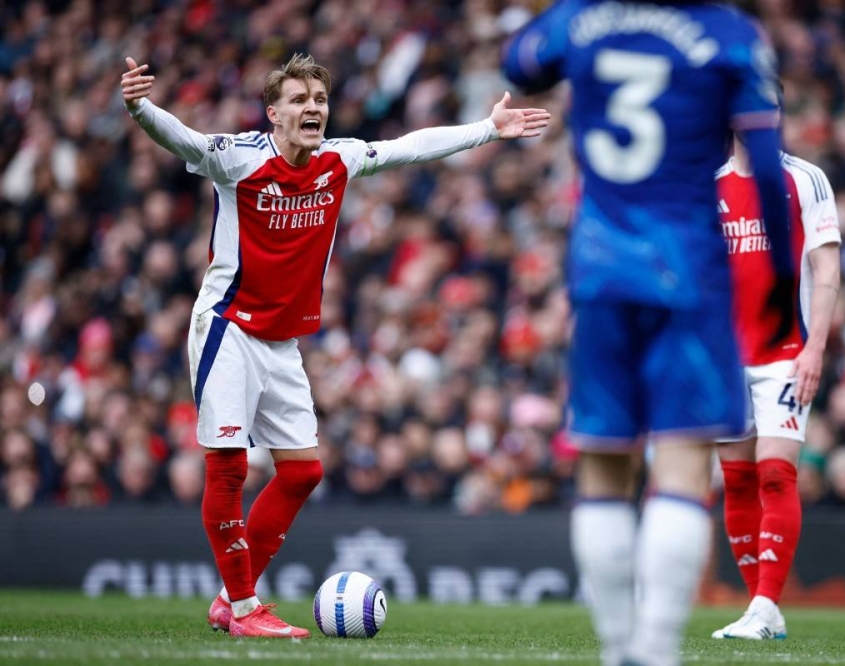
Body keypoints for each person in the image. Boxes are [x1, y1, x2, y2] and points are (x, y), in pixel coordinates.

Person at [121, 53, 549, 639]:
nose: (312, 109)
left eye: (319, 99)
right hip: (227, 326)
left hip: (280, 340)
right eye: (298, 100)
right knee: (228, 469)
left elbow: (410, 146)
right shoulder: (240, 158)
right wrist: (140, 106)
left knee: (302, 471)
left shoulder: (338, 159)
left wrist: (486, 129)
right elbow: (184, 140)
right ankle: (246, 610)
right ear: (274, 113)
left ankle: (229, 599)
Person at [504, 4, 794, 666]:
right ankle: (656, 650)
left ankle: (616, 650)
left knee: (604, 461)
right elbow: (770, 169)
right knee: (683, 461)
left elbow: (518, 65)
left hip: (600, 271)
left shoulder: (580, 19)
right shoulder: (729, 36)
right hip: (689, 275)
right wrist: (780, 276)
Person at [712, 131, 841, 639]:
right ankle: (759, 611)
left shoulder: (805, 179)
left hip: (785, 351)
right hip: (725, 356)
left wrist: (817, 347)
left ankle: (766, 604)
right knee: (737, 480)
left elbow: (826, 269)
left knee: (775, 473)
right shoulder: (710, 185)